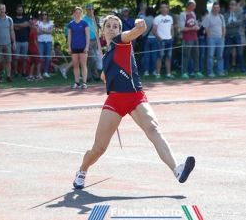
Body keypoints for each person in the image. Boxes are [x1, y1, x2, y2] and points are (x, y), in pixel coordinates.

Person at [72, 15, 195, 189]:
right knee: (99, 148)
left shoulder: (121, 41)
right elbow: (104, 75)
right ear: (103, 30)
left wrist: (139, 26)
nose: (112, 28)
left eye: (116, 26)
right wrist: (106, 76)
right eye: (109, 26)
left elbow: (136, 31)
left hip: (136, 97)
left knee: (153, 129)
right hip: (115, 101)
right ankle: (82, 171)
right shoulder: (107, 55)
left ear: (120, 30)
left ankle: (177, 170)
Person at [0, 4, 16, 83]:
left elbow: (12, 31)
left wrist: (14, 42)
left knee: (8, 61)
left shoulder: (9, 19)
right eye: (0, 9)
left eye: (3, 8)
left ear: (5, 9)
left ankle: (8, 76)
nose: (2, 10)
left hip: (8, 43)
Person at [67, 7, 90, 89]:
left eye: (79, 12)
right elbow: (69, 37)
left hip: (83, 47)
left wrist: (87, 46)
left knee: (83, 65)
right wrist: (69, 47)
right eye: (76, 12)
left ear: (81, 13)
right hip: (74, 47)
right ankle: (77, 82)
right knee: (75, 65)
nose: (78, 14)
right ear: (73, 14)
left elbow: (87, 36)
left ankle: (84, 83)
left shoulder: (85, 23)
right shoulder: (70, 24)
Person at [180, 0, 203, 78]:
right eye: (193, 5)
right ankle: (184, 72)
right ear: (189, 5)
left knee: (196, 55)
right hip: (187, 38)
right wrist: (192, 28)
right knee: (186, 55)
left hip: (195, 37)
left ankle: (196, 71)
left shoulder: (193, 13)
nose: (194, 7)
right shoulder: (183, 14)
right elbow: (182, 28)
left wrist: (197, 27)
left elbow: (195, 24)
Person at [203, 2, 226, 77]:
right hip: (211, 39)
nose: (216, 9)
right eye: (215, 7)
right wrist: (209, 37)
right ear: (212, 8)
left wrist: (223, 37)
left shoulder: (221, 16)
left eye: (217, 7)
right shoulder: (208, 17)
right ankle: (210, 72)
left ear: (219, 9)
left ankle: (220, 71)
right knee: (210, 56)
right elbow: (206, 28)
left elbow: (223, 27)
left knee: (220, 56)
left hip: (220, 39)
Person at [153, 2, 175, 79]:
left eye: (165, 7)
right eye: (162, 7)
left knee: (169, 57)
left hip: (169, 40)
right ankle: (158, 74)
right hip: (161, 40)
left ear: (167, 8)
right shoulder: (157, 18)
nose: (164, 9)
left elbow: (172, 28)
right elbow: (154, 30)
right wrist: (159, 38)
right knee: (160, 57)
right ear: (160, 9)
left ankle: (168, 74)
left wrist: (172, 37)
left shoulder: (170, 18)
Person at [224, 0, 246, 72]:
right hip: (228, 35)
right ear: (229, 6)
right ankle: (226, 69)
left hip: (237, 34)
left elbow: (239, 23)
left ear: (236, 6)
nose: (233, 6)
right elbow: (225, 25)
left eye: (234, 5)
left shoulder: (239, 14)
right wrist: (234, 24)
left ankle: (242, 68)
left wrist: (231, 23)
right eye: (231, 4)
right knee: (227, 52)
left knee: (240, 52)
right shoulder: (226, 14)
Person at [83, 3, 103, 82]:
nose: (90, 11)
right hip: (87, 41)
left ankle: (92, 76)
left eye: (92, 9)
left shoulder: (95, 19)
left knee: (92, 59)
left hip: (95, 40)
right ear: (86, 10)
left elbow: (98, 29)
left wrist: (99, 39)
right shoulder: (84, 20)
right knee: (93, 58)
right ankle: (90, 76)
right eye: (89, 9)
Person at [13, 4, 30, 77]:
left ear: (22, 10)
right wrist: (22, 25)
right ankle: (16, 72)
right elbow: (12, 26)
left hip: (25, 41)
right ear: (16, 10)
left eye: (21, 10)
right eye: (18, 10)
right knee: (16, 58)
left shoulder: (26, 18)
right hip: (16, 41)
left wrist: (17, 25)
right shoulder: (12, 18)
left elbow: (26, 24)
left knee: (24, 58)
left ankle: (24, 72)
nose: (20, 11)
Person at [37, 11, 54, 78]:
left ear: (47, 15)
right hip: (40, 41)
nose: (44, 15)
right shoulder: (38, 22)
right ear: (41, 15)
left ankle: (46, 72)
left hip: (48, 42)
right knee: (40, 57)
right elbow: (37, 32)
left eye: (45, 14)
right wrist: (47, 30)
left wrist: (42, 30)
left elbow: (51, 31)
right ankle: (39, 72)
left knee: (47, 57)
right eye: (43, 14)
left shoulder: (51, 22)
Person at [141, 7, 157, 76]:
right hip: (154, 38)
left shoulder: (144, 19)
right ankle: (153, 70)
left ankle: (146, 71)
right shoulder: (155, 19)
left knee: (146, 55)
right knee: (154, 55)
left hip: (146, 38)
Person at [27, 16, 42, 81]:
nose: (36, 23)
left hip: (31, 49)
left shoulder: (33, 30)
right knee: (38, 63)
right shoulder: (34, 31)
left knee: (33, 63)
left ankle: (30, 76)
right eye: (34, 21)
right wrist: (38, 49)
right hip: (34, 49)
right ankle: (38, 75)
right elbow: (35, 41)